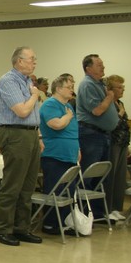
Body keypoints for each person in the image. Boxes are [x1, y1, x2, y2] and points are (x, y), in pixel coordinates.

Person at [0, 46, 43, 247]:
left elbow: (32, 115)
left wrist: (38, 136)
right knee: (13, 184)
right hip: (15, 134)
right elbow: (22, 111)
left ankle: (22, 228)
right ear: (19, 61)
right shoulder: (8, 81)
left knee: (28, 185)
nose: (34, 62)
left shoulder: (28, 81)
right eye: (31, 59)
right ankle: (4, 229)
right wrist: (35, 96)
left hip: (30, 134)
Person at [76, 54, 119, 220]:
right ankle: (85, 214)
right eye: (99, 65)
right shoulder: (87, 84)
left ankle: (98, 213)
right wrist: (109, 97)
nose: (103, 67)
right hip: (90, 135)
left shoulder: (99, 84)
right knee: (89, 175)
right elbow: (97, 110)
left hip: (102, 135)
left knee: (101, 176)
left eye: (102, 64)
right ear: (88, 68)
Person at [38, 75, 79, 235]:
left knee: (69, 191)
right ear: (58, 88)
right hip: (55, 155)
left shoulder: (68, 105)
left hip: (70, 154)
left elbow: (73, 130)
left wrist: (78, 149)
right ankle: (50, 224)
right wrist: (68, 116)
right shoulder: (50, 104)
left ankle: (65, 222)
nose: (72, 90)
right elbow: (56, 124)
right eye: (69, 87)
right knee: (55, 190)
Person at [105, 75, 130, 222]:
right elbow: (111, 125)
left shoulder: (120, 103)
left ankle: (116, 207)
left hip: (122, 143)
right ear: (110, 89)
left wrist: (127, 145)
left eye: (123, 87)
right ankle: (107, 208)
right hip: (113, 142)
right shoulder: (108, 105)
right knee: (111, 176)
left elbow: (125, 126)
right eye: (119, 87)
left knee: (120, 177)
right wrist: (119, 115)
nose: (122, 90)